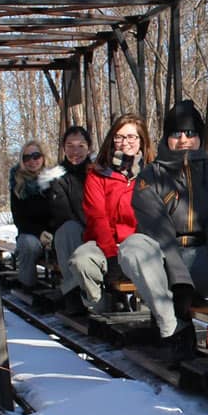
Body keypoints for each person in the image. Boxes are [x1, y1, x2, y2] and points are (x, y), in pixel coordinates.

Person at [120, 100, 208, 357]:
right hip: (165, 266)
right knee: (133, 247)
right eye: (176, 133)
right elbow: (159, 233)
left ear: (199, 137)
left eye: (191, 133)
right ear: (166, 137)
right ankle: (173, 329)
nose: (184, 139)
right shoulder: (149, 178)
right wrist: (180, 282)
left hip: (206, 261)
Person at [65, 115, 152, 313]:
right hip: (106, 244)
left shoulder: (152, 173)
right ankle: (99, 302)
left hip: (140, 245)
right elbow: (97, 217)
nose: (125, 142)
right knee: (82, 260)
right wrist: (111, 255)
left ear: (141, 140)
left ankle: (151, 306)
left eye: (131, 137)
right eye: (119, 137)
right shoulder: (98, 174)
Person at [37, 124, 92, 303]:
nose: (75, 151)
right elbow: (62, 214)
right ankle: (73, 291)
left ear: (89, 148)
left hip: (98, 229)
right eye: (70, 146)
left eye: (80, 146)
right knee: (70, 230)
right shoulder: (57, 176)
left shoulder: (99, 172)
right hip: (71, 232)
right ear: (63, 148)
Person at [7, 140, 53, 287]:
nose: (32, 161)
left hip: (53, 232)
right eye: (27, 158)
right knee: (29, 245)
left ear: (43, 157)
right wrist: (40, 233)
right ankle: (28, 285)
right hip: (30, 234)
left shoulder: (54, 180)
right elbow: (19, 219)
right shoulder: (17, 184)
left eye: (36, 156)